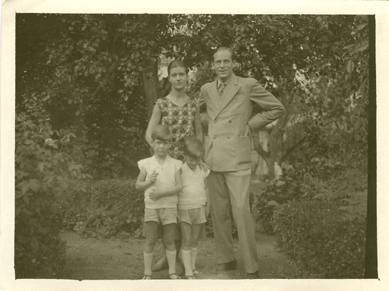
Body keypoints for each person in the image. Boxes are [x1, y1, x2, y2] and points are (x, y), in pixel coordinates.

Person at [199, 47, 285, 278]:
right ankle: (225, 259)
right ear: (213, 65)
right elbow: (193, 113)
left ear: (233, 63)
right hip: (213, 156)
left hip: (237, 156)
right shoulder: (206, 89)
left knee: (240, 210)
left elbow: (277, 108)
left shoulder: (247, 85)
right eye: (218, 62)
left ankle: (251, 266)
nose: (222, 65)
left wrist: (250, 125)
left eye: (227, 61)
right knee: (218, 212)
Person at [144, 60, 203, 273]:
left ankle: (179, 256)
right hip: (168, 165)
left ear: (187, 77)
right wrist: (161, 157)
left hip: (187, 166)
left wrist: (197, 157)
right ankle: (165, 256)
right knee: (166, 210)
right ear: (169, 78)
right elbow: (149, 135)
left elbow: (198, 133)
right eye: (174, 74)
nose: (179, 78)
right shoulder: (161, 104)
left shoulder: (194, 103)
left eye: (182, 74)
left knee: (184, 210)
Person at [135, 125, 183, 280]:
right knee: (150, 240)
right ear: (153, 144)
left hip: (169, 207)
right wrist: (149, 181)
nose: (161, 147)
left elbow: (179, 186)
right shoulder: (146, 163)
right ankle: (147, 273)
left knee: (169, 240)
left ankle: (172, 272)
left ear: (170, 144)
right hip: (152, 207)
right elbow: (138, 185)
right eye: (158, 143)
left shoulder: (176, 164)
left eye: (165, 143)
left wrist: (162, 193)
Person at [178, 137, 210, 279]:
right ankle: (188, 272)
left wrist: (207, 203)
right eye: (190, 159)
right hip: (184, 208)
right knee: (187, 240)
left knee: (195, 240)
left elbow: (207, 187)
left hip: (199, 207)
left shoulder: (203, 169)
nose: (193, 163)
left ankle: (192, 266)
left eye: (197, 160)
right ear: (185, 156)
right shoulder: (179, 169)